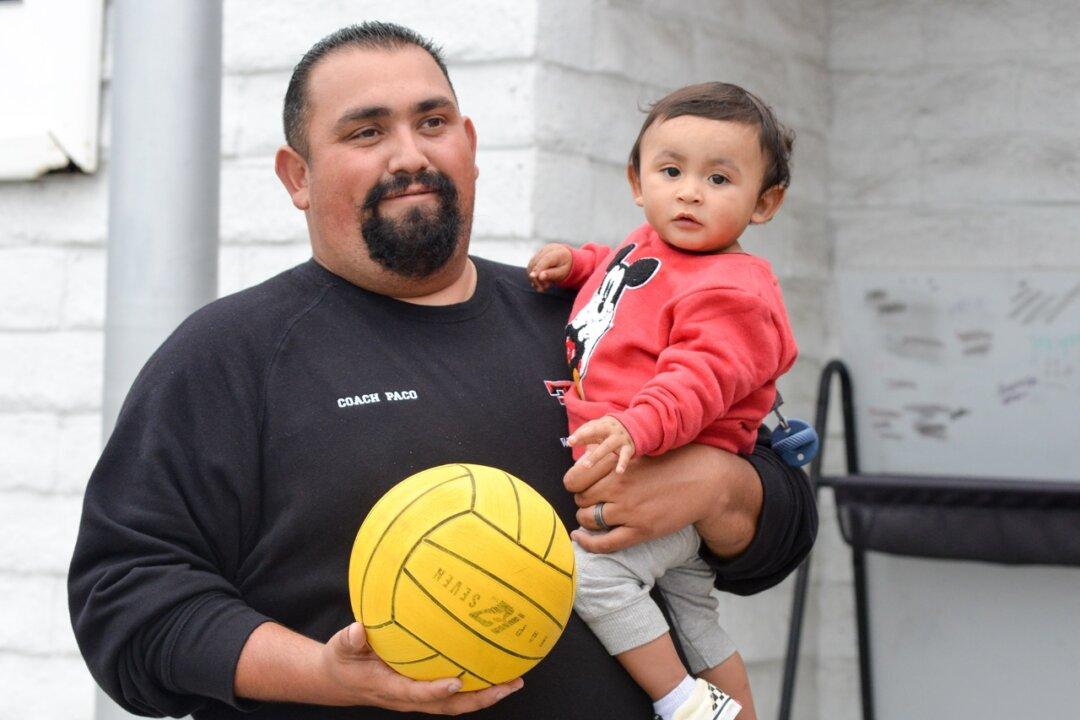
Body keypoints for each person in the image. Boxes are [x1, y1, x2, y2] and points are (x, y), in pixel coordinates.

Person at [67, 22, 816, 719]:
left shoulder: (587, 314)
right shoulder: (228, 355)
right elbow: (126, 603)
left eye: (432, 123)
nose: (410, 155)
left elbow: (777, 531)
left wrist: (722, 488)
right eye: (366, 131)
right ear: (297, 176)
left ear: (470, 144)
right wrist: (323, 675)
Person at [526, 82, 797, 720]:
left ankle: (681, 703)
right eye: (671, 171)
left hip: (666, 471)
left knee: (592, 578)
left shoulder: (733, 292)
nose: (690, 191)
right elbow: (620, 272)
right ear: (638, 181)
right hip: (642, 462)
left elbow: (697, 378)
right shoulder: (655, 246)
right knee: (696, 617)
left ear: (765, 203)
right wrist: (574, 264)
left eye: (719, 179)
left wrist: (636, 427)